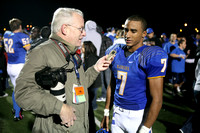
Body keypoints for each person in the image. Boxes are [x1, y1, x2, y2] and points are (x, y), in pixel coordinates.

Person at [15, 7, 113, 133]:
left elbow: (79, 85)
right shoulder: (42, 52)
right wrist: (59, 108)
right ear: (65, 29)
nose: (84, 33)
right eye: (80, 29)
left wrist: (95, 69)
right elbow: (23, 92)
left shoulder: (71, 52)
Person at [100, 15, 168, 133]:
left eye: (133, 31)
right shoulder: (116, 51)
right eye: (126, 30)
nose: (128, 35)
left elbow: (157, 99)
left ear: (143, 34)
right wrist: (106, 112)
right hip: (117, 113)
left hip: (138, 116)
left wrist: (145, 128)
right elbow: (112, 85)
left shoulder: (150, 55)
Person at [3, 18, 31, 120]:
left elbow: (10, 32)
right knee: (19, 90)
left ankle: (16, 108)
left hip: (10, 66)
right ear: (20, 26)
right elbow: (29, 49)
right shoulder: (22, 35)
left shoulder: (6, 34)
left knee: (16, 89)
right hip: (19, 66)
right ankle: (17, 114)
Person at [82, 41, 101, 132]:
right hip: (93, 83)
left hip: (93, 83)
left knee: (90, 103)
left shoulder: (90, 58)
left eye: (83, 47)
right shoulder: (89, 56)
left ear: (86, 48)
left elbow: (90, 73)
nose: (81, 49)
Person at [96, 26, 113, 102]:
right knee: (102, 81)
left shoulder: (107, 39)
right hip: (100, 62)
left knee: (108, 80)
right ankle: (104, 96)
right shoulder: (96, 40)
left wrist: (107, 61)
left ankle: (111, 96)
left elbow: (111, 52)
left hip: (106, 63)